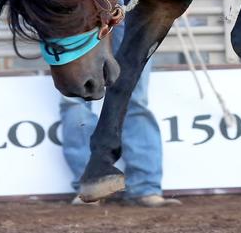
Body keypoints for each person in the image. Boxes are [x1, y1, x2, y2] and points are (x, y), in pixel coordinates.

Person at [59, 35, 179, 207]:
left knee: (132, 98)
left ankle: (142, 187)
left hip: (113, 12)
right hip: (78, 14)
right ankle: (135, 186)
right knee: (76, 97)